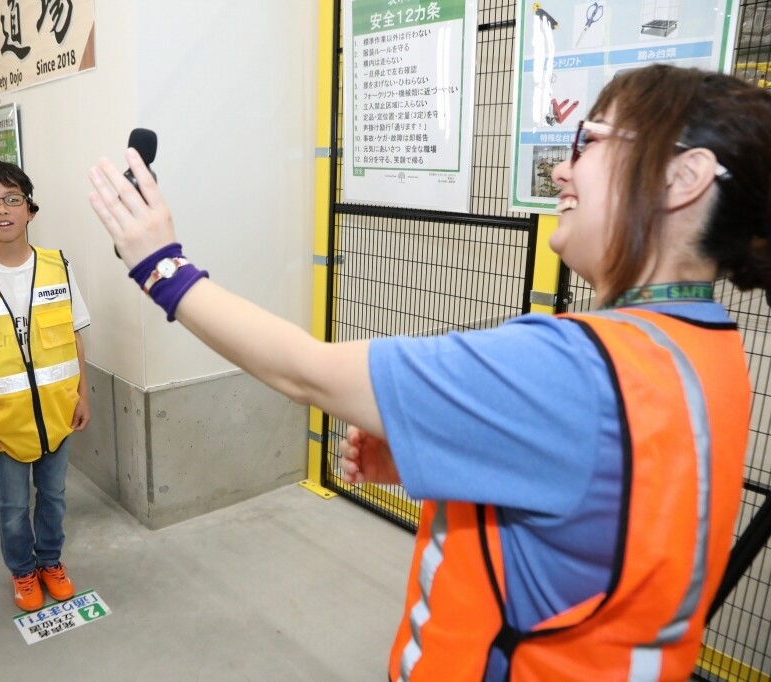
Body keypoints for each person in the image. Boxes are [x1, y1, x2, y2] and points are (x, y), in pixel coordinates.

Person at [87, 64, 769, 680]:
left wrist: (160, 265)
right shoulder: (707, 350)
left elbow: (308, 374)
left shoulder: (576, 368)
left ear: (685, 178)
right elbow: (601, 512)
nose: (562, 171)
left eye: (590, 142)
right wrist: (455, 456)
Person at [0, 162, 90, 610]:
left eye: (13, 199)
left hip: (57, 411)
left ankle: (50, 560)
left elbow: (74, 335)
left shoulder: (57, 265)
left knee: (54, 495)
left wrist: (82, 394)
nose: (2, 209)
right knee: (12, 506)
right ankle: (23, 571)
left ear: (30, 209)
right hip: (4, 420)